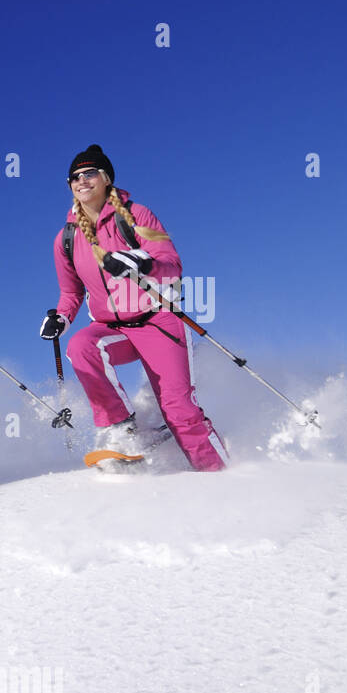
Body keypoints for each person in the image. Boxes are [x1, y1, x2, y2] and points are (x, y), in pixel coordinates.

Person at [42, 145, 228, 471]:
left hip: (159, 322)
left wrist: (142, 262)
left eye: (90, 173)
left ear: (106, 178)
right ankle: (123, 432)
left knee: (179, 410)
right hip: (113, 329)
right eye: (75, 176)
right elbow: (71, 292)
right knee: (81, 346)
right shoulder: (66, 239)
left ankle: (219, 475)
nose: (82, 180)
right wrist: (61, 317)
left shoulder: (136, 215)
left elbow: (171, 264)